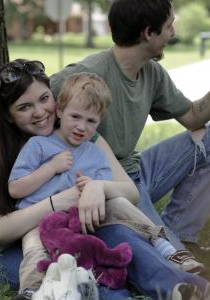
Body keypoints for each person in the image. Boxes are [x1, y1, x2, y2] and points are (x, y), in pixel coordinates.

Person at [0, 59, 210, 300]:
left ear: (56, 100)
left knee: (119, 236)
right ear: (7, 115)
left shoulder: (77, 133)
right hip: (20, 247)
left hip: (79, 224)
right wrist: (58, 201)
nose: (40, 112)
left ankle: (185, 289)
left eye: (44, 99)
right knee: (67, 271)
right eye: (24, 107)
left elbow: (130, 192)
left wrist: (99, 188)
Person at [50, 0, 210, 252]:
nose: (173, 33)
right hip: (107, 184)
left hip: (138, 172)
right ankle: (174, 246)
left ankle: (182, 232)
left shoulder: (152, 73)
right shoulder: (88, 73)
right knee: (171, 255)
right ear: (148, 32)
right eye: (169, 26)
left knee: (208, 138)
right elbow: (17, 98)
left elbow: (192, 117)